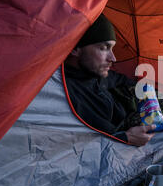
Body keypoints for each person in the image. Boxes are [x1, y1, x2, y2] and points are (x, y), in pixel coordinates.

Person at [64, 13, 155, 146]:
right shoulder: (66, 91)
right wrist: (125, 137)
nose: (113, 58)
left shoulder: (96, 75)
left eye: (112, 48)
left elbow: (129, 83)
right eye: (104, 48)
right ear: (75, 49)